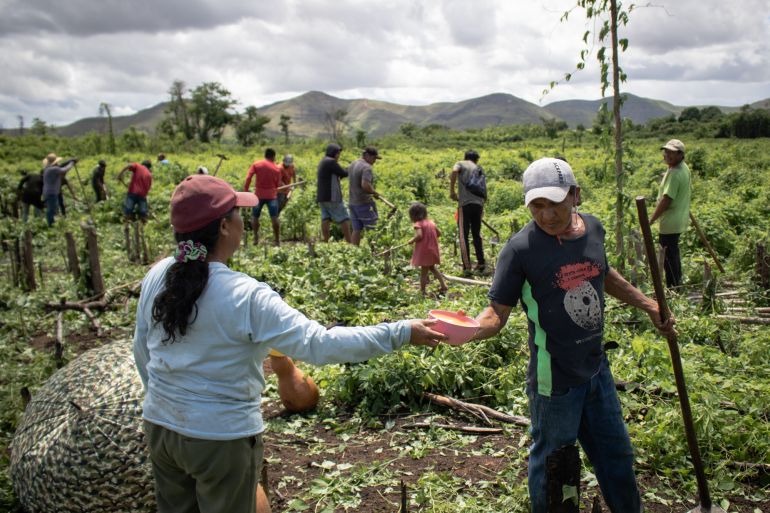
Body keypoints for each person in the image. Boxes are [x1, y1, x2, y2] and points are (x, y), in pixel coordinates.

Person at [133, 174, 446, 513]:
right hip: (218, 439)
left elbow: (142, 349)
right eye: (238, 212)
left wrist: (164, 401)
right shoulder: (245, 295)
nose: (244, 220)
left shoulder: (158, 274)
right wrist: (401, 331)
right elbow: (320, 344)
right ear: (224, 227)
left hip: (161, 429)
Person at [465, 158, 675, 513]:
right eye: (537, 206)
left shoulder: (593, 229)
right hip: (555, 382)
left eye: (554, 203)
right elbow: (495, 314)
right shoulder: (520, 250)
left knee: (617, 456)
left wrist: (650, 305)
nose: (546, 215)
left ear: (575, 195)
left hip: (597, 371)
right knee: (554, 467)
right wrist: (464, 329)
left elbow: (604, 274)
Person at [650, 139, 691, 288]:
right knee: (673, 253)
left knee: (668, 256)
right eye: (665, 151)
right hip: (679, 219)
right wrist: (666, 176)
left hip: (670, 222)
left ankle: (673, 287)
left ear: (680, 154)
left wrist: (652, 219)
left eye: (671, 152)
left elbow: (666, 200)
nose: (666, 154)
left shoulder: (675, 173)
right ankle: (676, 283)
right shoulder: (683, 168)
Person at [450, 150, 486, 272]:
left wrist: (452, 191)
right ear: (476, 160)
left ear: (465, 158)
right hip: (479, 205)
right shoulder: (479, 168)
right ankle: (481, 263)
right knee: (476, 234)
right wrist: (482, 207)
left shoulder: (460, 163)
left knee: (463, 235)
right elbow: (483, 189)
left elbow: (454, 171)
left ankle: (467, 267)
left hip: (465, 204)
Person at [407, 202, 447, 296]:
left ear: (413, 215)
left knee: (423, 273)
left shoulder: (418, 224)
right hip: (432, 250)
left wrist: (412, 240)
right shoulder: (431, 223)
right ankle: (443, 285)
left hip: (425, 252)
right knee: (432, 268)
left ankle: (422, 291)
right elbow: (439, 233)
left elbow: (419, 236)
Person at [244, 148, 281, 246]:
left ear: (265, 155)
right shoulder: (276, 168)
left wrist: (246, 191)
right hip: (272, 196)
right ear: (273, 156)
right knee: (274, 217)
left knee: (255, 217)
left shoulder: (257, 164)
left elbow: (248, 177)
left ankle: (256, 239)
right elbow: (277, 184)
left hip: (258, 195)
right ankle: (277, 241)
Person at [316, 143, 351, 243]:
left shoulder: (323, 161)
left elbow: (339, 173)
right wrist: (351, 168)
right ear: (334, 153)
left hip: (322, 197)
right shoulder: (331, 162)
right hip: (332, 196)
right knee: (344, 218)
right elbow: (343, 173)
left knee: (325, 218)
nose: (338, 156)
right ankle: (350, 243)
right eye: (338, 154)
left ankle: (326, 242)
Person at [348, 146, 382, 245]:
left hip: (352, 203)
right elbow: (365, 185)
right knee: (372, 229)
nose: (374, 161)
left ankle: (354, 252)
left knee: (356, 230)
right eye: (374, 158)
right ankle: (374, 253)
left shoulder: (353, 164)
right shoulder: (367, 168)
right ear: (367, 156)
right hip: (364, 204)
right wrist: (374, 192)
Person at [41, 154, 76, 226]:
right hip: (51, 192)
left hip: (48, 191)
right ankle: (50, 225)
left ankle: (52, 223)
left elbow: (61, 166)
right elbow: (65, 169)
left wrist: (69, 161)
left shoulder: (48, 168)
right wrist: (72, 163)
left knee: (52, 208)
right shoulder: (54, 169)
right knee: (51, 210)